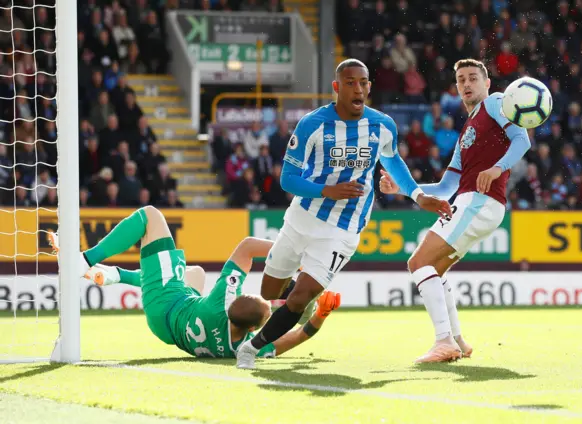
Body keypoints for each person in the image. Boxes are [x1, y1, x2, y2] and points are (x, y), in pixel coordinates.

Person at [235, 59, 450, 369]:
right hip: (303, 217)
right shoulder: (312, 124)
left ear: (369, 87)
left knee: (299, 297)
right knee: (270, 292)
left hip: (343, 229)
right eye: (350, 83)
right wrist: (326, 191)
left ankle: (250, 350)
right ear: (336, 88)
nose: (358, 89)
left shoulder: (382, 125)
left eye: (363, 82)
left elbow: (393, 163)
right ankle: (283, 307)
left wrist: (418, 195)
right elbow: (288, 179)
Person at [380, 58, 531, 363]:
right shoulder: (466, 131)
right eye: (461, 79)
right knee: (432, 269)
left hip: (480, 201)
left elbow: (522, 139)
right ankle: (457, 341)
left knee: (418, 262)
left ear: (487, 84)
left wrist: (497, 167)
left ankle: (443, 341)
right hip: (472, 202)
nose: (466, 84)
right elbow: (446, 186)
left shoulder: (496, 103)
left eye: (473, 78)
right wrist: (404, 188)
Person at [47, 206, 340, 359]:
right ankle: (114, 275)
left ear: (234, 299)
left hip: (166, 301)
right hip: (166, 331)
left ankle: (84, 260)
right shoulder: (246, 347)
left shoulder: (221, 301)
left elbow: (248, 246)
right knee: (195, 273)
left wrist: (294, 257)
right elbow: (295, 337)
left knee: (150, 216)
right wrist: (320, 316)